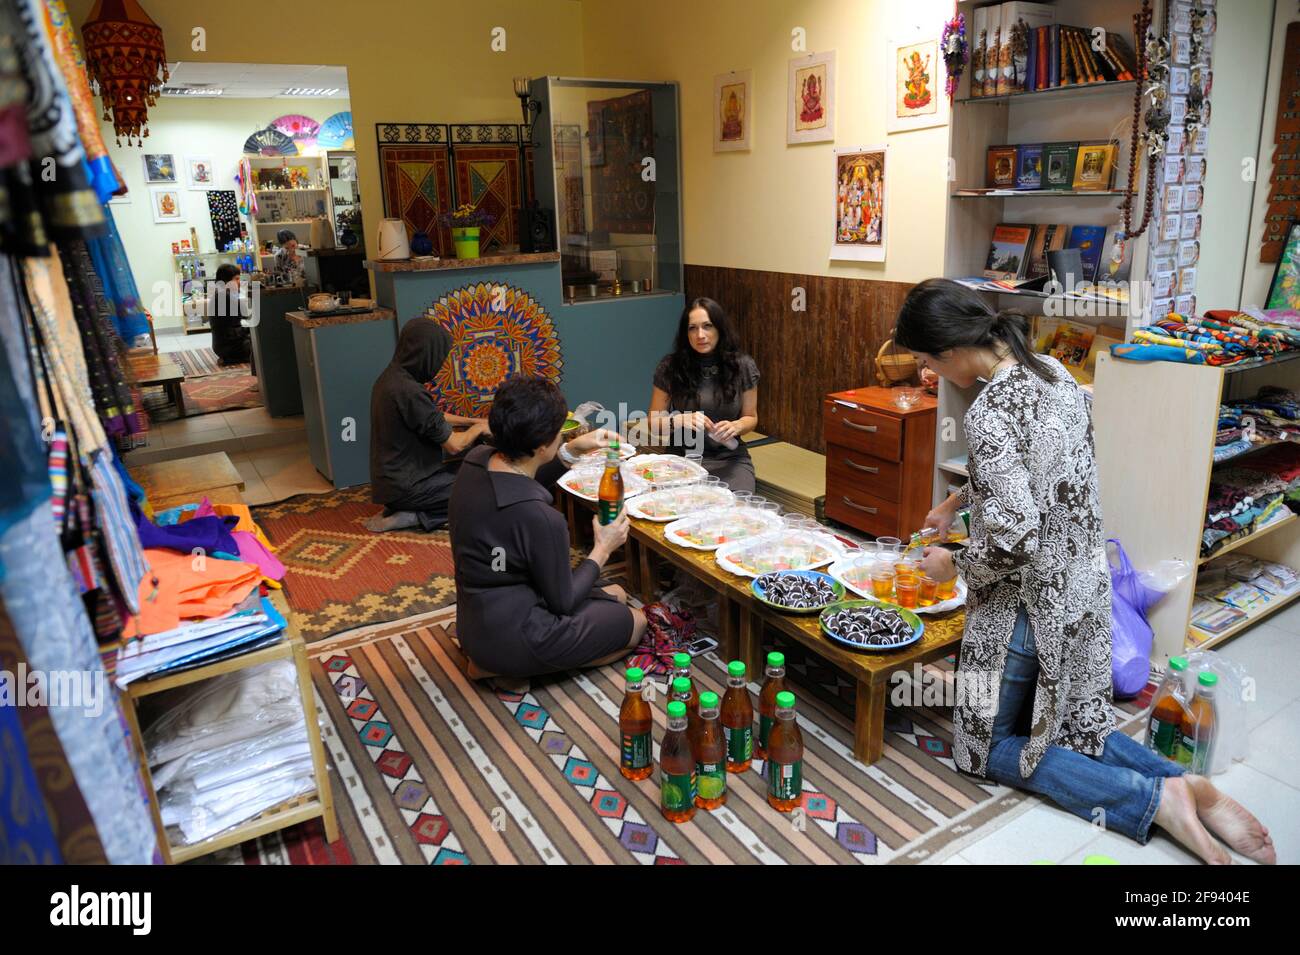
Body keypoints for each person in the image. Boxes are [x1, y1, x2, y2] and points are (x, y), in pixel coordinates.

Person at [895, 278, 1275, 865]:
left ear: (948, 352)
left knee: (983, 751)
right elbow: (1041, 474)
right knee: (1072, 726)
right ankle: (1178, 779)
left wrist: (954, 564)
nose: (929, 373)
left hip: (1026, 603)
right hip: (1080, 585)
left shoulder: (988, 411)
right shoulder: (1050, 369)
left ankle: (1153, 799)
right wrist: (958, 503)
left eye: (925, 361)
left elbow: (1014, 538)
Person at [449, 376, 646, 689]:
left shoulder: (475, 462)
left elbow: (524, 477)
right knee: (636, 624)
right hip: (517, 634)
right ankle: (500, 669)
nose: (563, 435)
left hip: (475, 621)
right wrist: (603, 548)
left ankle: (490, 659)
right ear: (542, 446)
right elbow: (563, 602)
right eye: (560, 432)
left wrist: (573, 450)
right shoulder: (542, 518)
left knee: (619, 595)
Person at [367, 320, 487, 533]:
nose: (440, 365)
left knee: (469, 469)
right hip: (407, 487)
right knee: (484, 485)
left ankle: (406, 509)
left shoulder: (390, 378)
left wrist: (474, 421)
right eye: (439, 358)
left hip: (390, 485)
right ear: (425, 354)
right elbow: (454, 446)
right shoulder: (409, 391)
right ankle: (417, 516)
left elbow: (432, 415)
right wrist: (480, 429)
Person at [648, 297, 760, 492]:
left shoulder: (743, 365)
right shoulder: (670, 367)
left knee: (734, 513)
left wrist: (737, 425)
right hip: (682, 458)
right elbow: (653, 423)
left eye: (707, 326)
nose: (700, 335)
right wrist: (680, 419)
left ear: (719, 328)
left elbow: (751, 417)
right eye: (693, 328)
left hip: (729, 460)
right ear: (686, 333)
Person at [207, 264, 250, 366]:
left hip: (220, 347)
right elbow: (235, 332)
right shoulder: (227, 297)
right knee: (262, 344)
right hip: (230, 347)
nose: (239, 283)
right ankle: (231, 359)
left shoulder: (220, 295)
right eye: (236, 279)